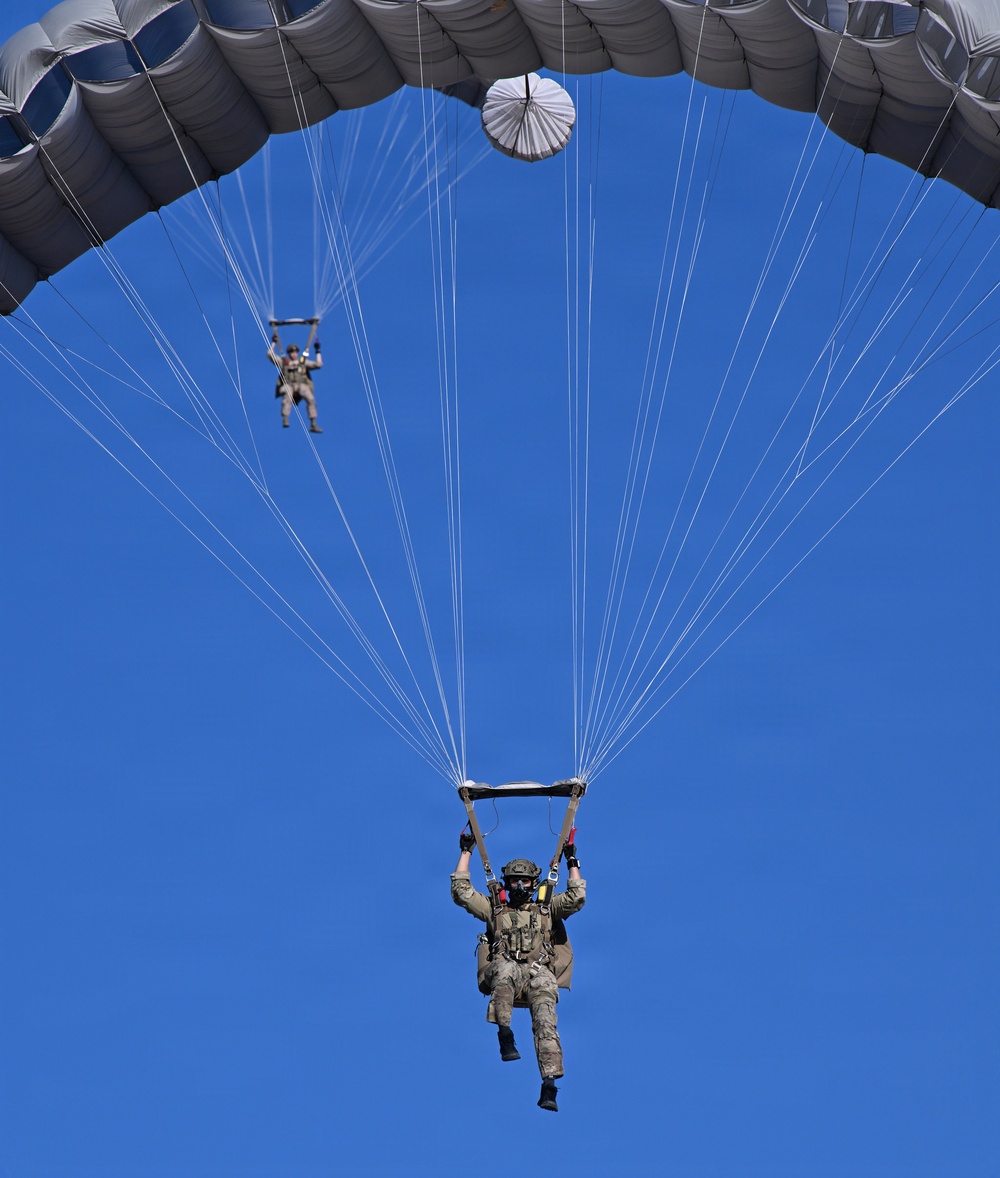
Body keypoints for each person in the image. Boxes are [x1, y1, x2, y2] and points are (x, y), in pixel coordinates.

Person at [452, 838, 585, 1112]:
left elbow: (576, 898)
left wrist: (572, 862)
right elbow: (461, 891)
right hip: (507, 973)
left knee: (546, 1023)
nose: (520, 886)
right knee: (504, 967)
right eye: (514, 882)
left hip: (539, 975)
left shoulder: (546, 909)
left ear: (534, 882)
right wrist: (466, 851)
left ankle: (549, 1085)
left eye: (524, 881)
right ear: (506, 884)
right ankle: (505, 1034)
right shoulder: (495, 910)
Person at [268, 334, 323, 432]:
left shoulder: (302, 362)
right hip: (288, 385)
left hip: (301, 385)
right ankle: (285, 418)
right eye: (291, 352)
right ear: (289, 353)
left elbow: (318, 365)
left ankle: (313, 423)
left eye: (295, 352)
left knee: (310, 399)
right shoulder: (284, 362)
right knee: (287, 395)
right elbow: (270, 354)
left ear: (297, 353)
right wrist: (274, 342)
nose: (294, 354)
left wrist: (317, 351)